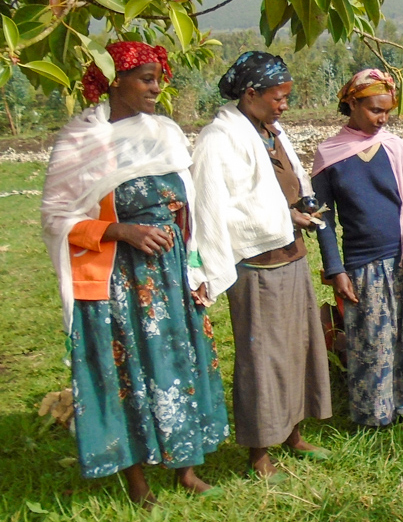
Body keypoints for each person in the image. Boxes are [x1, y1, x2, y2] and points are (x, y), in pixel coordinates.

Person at [41, 42, 227, 507]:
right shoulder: (83, 141)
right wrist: (119, 230)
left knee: (178, 365)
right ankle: (137, 481)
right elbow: (56, 217)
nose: (156, 87)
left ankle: (186, 467)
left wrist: (195, 263)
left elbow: (186, 205)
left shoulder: (164, 132)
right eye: (146, 78)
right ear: (114, 81)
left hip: (169, 276)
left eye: (158, 77)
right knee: (127, 373)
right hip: (119, 283)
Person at [189, 51, 332, 480]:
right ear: (250, 94)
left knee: (298, 346)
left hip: (290, 255)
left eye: (287, 97)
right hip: (255, 263)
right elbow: (216, 207)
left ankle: (293, 432)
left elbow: (285, 185)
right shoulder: (219, 139)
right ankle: (258, 453)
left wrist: (299, 207)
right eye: (278, 97)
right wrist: (287, 217)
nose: (284, 104)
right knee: (261, 357)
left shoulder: (272, 132)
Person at [310, 68, 403, 427]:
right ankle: (373, 417)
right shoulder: (329, 155)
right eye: (375, 110)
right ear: (351, 103)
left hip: (402, 260)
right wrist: (336, 269)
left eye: (387, 112)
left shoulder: (395, 149)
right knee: (371, 346)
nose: (382, 119)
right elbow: (323, 218)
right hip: (362, 264)